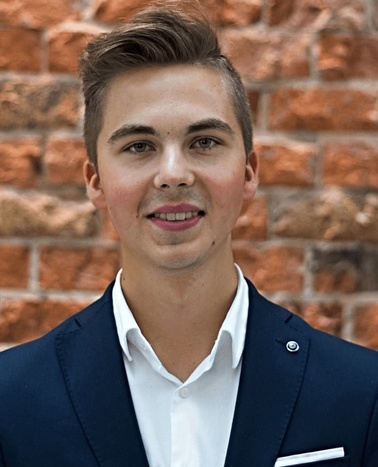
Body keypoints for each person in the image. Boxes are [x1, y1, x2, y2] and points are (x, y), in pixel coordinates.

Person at [0, 3, 377, 466]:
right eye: (139, 146)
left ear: (248, 171)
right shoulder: (9, 400)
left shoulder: (363, 393)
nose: (173, 175)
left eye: (204, 142)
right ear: (95, 181)